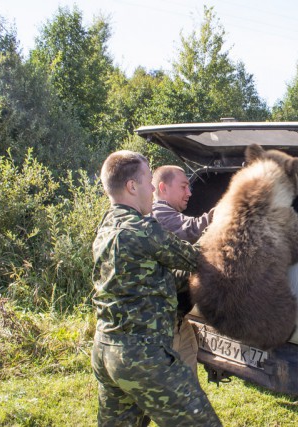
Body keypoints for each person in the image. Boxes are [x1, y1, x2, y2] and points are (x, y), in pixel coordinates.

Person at [91, 150, 222, 427]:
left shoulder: (106, 226)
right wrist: (221, 220)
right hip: (143, 357)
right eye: (149, 180)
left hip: (106, 350)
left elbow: (149, 280)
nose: (152, 188)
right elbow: (199, 259)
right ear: (131, 186)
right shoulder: (143, 229)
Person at [151, 165, 214, 379]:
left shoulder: (166, 213)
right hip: (165, 321)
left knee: (188, 366)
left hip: (179, 318)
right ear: (163, 188)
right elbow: (192, 229)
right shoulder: (158, 213)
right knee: (172, 387)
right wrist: (225, 211)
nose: (190, 192)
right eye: (184, 186)